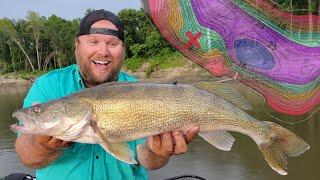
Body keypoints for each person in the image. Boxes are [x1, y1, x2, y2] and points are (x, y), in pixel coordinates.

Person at [14, 9, 199, 180]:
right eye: (93, 42)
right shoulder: (48, 86)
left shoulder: (140, 90)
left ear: (123, 49)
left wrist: (158, 152)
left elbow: (148, 160)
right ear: (77, 46)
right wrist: (42, 144)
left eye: (112, 43)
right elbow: (27, 157)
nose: (103, 51)